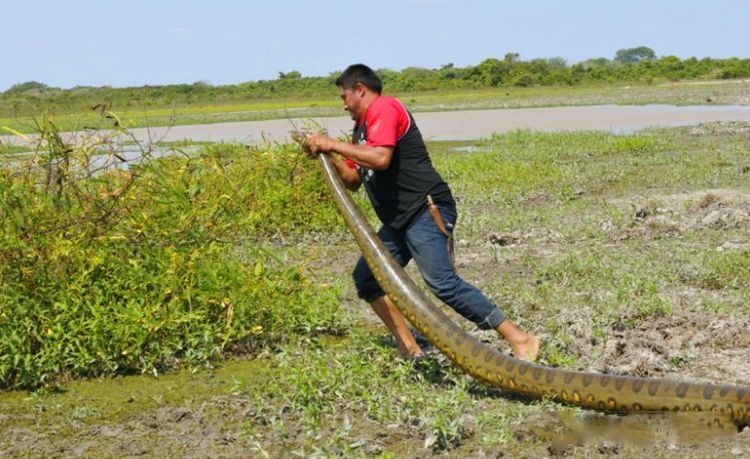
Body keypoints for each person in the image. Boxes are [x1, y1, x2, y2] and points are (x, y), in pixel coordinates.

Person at [304, 64, 539, 362]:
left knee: (442, 283)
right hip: (398, 220)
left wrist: (330, 142)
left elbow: (381, 158)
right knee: (367, 278)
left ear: (360, 89)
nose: (344, 105)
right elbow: (352, 181)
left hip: (425, 209)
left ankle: (520, 339)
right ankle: (408, 347)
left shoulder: (385, 108)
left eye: (344, 97)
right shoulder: (360, 129)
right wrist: (329, 154)